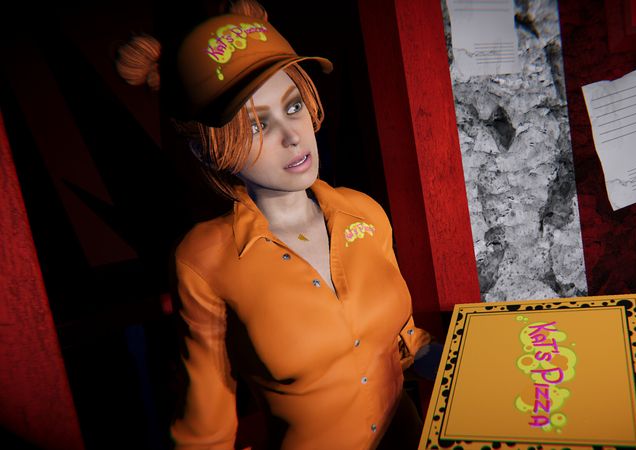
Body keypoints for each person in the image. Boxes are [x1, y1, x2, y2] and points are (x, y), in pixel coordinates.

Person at [115, 1, 433, 448]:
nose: (292, 136)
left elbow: (404, 341)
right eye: (256, 126)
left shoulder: (363, 212)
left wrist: (458, 360)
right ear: (209, 149)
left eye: (294, 105)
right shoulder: (204, 261)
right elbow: (206, 423)